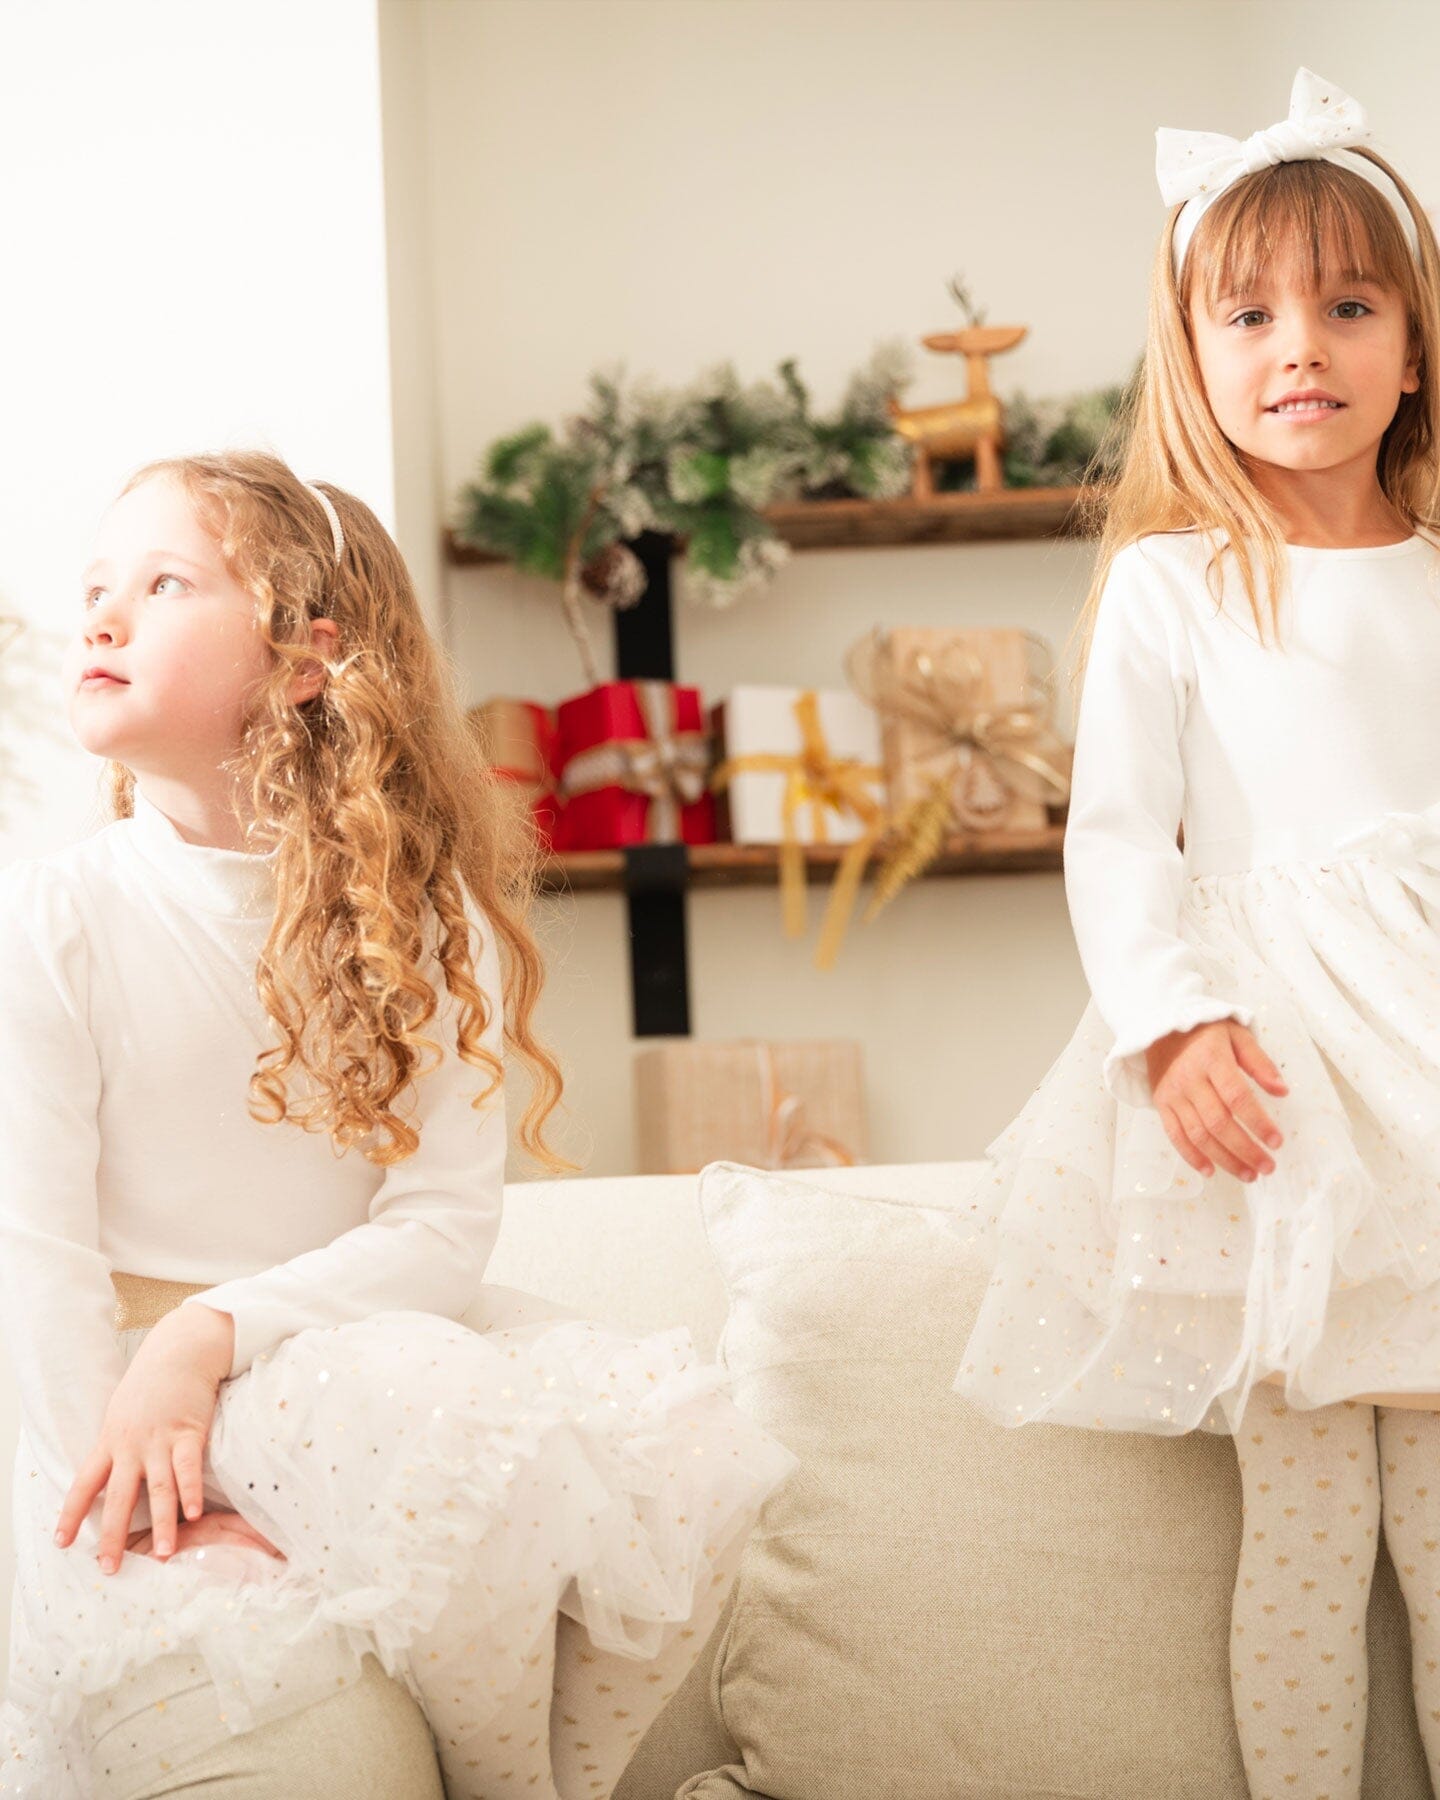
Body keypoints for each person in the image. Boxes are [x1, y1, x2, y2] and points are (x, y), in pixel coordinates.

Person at [0, 449, 801, 1799]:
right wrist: (114, 1503)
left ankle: (537, 1782)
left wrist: (218, 1331)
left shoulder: (428, 924)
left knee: (687, 1439)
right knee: (429, 1402)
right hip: (147, 1383)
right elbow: (36, 1266)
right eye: (95, 587)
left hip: (309, 1339)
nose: (102, 616)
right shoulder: (52, 922)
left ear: (306, 659)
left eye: (164, 582)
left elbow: (440, 1228)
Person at [949, 65, 1440, 1800]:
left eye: (1347, 303)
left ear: (1409, 342)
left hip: (1432, 1077)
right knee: (1308, 1523)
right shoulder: (1177, 580)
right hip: (1280, 1093)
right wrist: (1169, 1026)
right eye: (1250, 312)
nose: (1299, 343)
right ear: (1196, 351)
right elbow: (1117, 838)